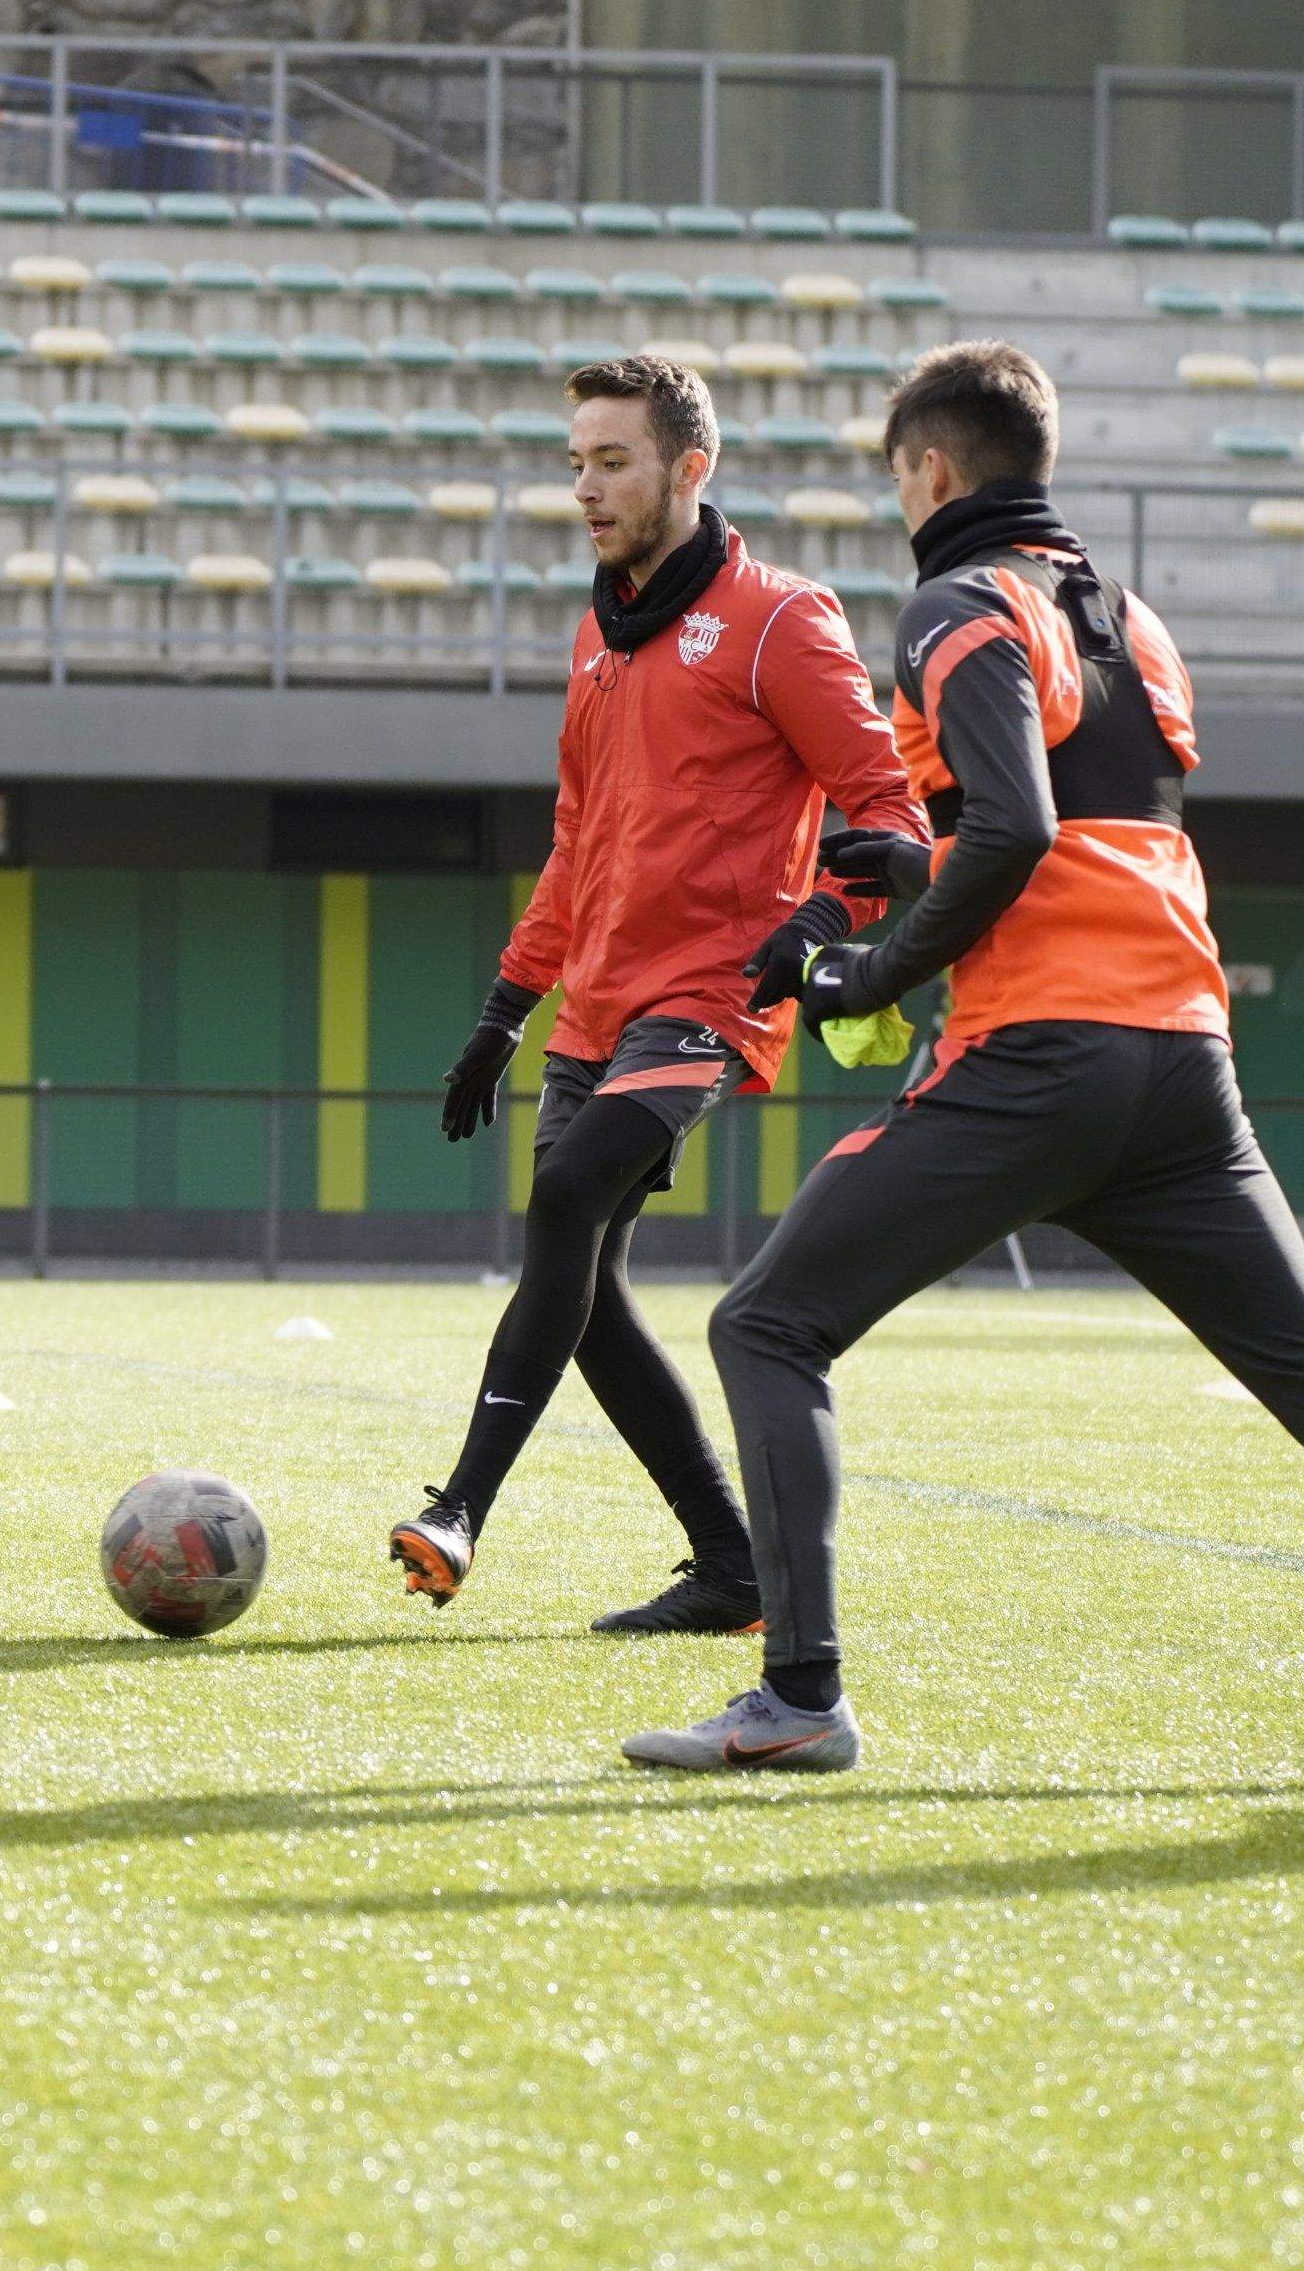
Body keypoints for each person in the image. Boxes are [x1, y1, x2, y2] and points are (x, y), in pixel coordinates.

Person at [633, 341, 1304, 1780]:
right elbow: (1069, 823)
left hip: (1041, 1062)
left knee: (765, 1326)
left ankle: (800, 1696)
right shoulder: (1135, 618)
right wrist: (851, 896)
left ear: (930, 470)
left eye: (896, 475)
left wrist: (862, 974)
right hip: (1185, 1068)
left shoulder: (955, 600)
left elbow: (1012, 829)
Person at [393, 356, 925, 1634]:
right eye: (573, 460)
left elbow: (891, 816)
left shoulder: (783, 619)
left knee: (564, 1200)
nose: (583, 486)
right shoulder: (595, 630)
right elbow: (579, 842)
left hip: (713, 995)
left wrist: (815, 920)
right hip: (593, 1006)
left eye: (610, 460)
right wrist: (502, 1009)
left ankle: (458, 1506)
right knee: (586, 1295)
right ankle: (733, 1569)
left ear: (692, 468)